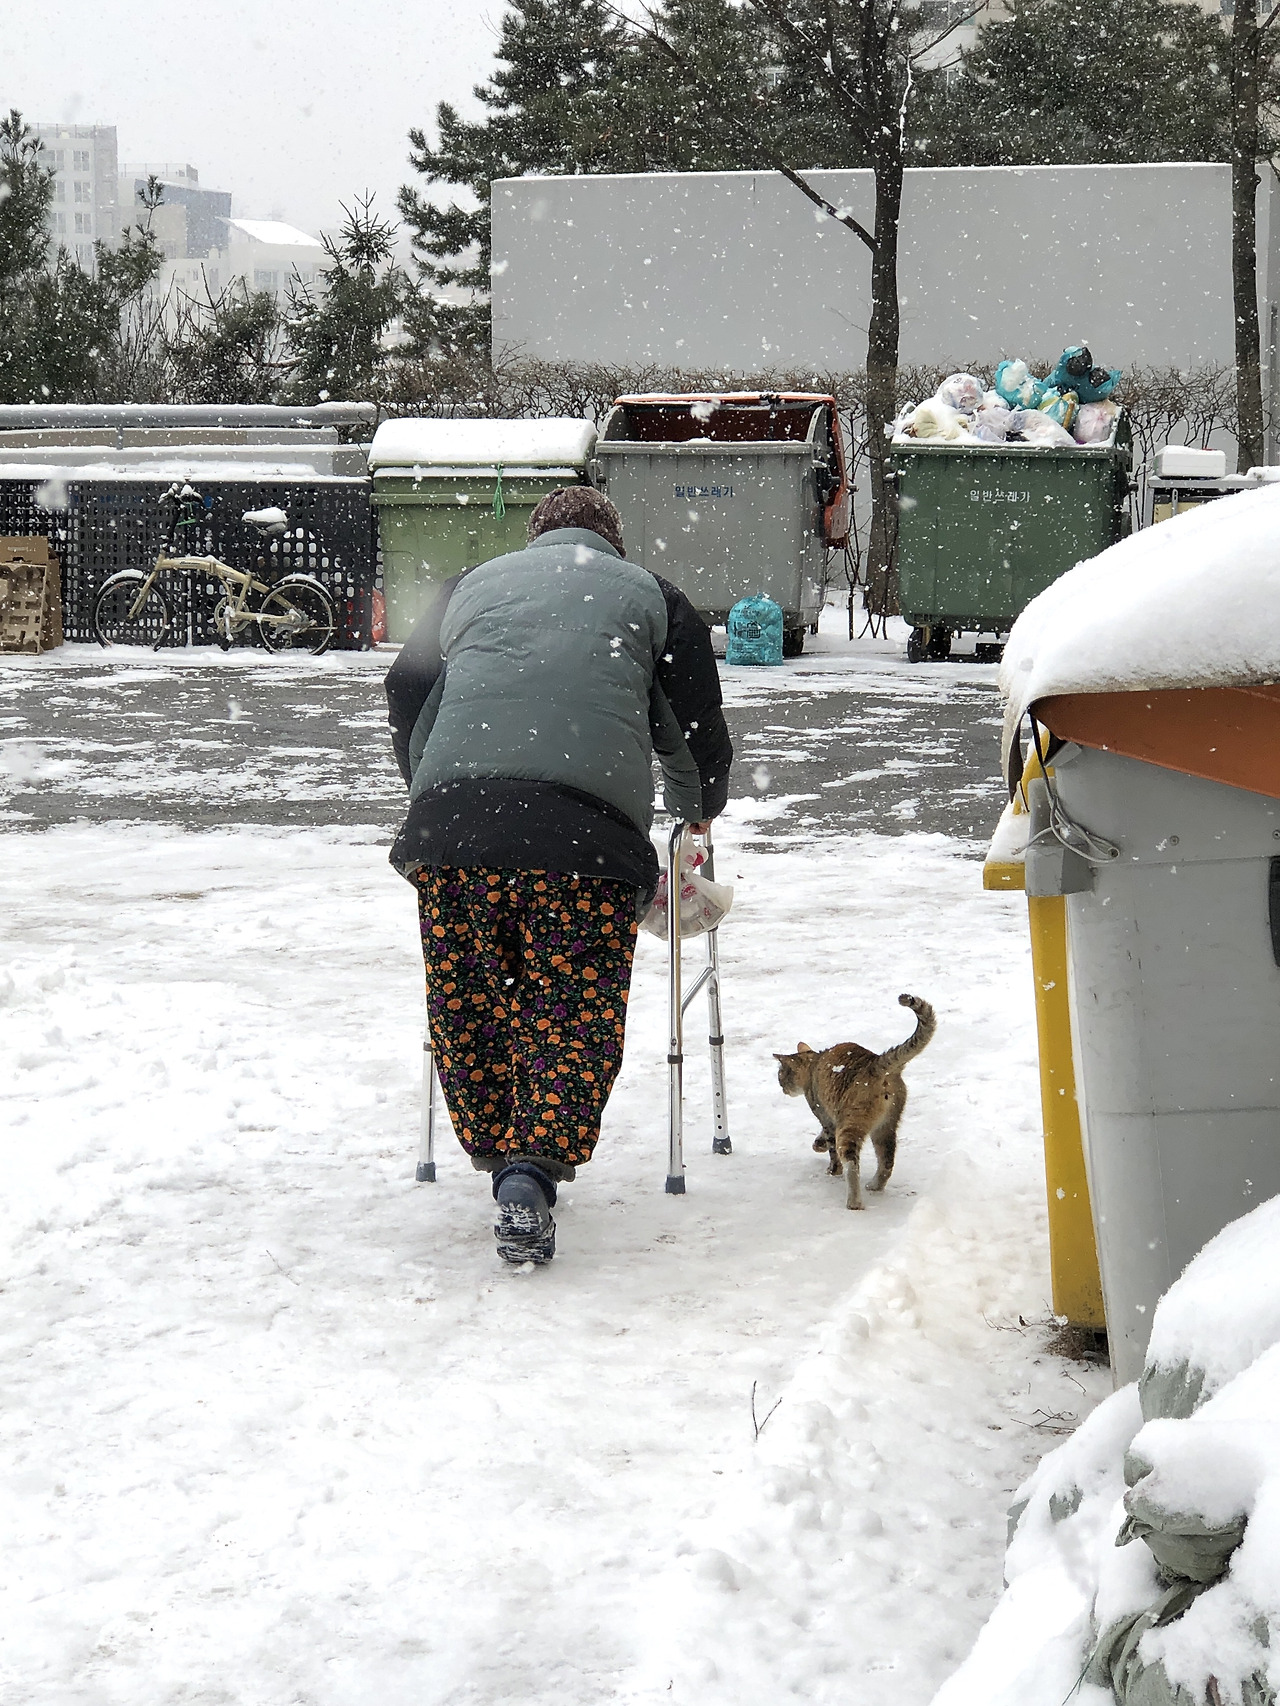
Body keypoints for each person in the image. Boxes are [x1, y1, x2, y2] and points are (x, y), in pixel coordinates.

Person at [385, 485, 733, 1265]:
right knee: (570, 1002)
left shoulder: (467, 587)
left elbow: (409, 688)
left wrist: (433, 784)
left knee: (468, 993)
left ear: (534, 535)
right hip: (586, 844)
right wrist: (697, 809)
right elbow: (691, 728)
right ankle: (530, 1173)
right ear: (612, 539)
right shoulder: (652, 597)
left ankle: (493, 1146)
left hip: (453, 834)